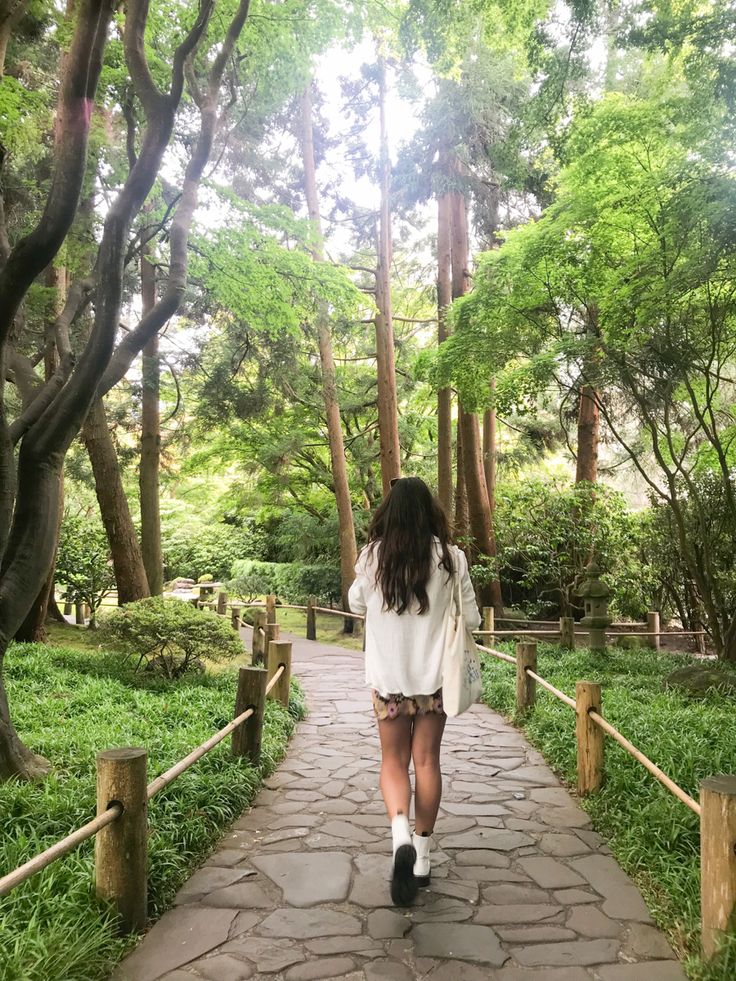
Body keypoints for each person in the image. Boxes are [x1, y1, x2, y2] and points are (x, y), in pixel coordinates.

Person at [348, 476, 481, 905]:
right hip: (434, 682)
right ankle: (421, 857)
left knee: (392, 760)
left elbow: (355, 604)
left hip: (388, 681)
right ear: (430, 513)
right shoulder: (451, 559)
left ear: (389, 512)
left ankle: (399, 832)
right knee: (426, 761)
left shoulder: (372, 558)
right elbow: (473, 620)